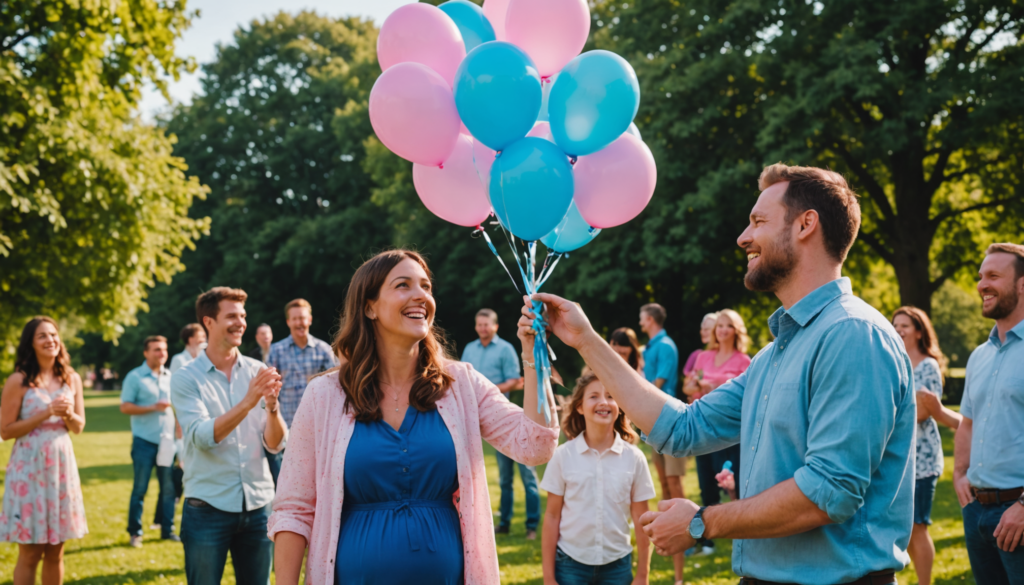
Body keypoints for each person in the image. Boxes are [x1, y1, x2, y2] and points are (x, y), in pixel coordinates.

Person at [521, 163, 915, 584]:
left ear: (806, 224)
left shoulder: (852, 334)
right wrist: (585, 341)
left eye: (758, 222)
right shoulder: (773, 355)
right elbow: (682, 428)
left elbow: (829, 492)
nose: (743, 237)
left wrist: (703, 522)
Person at [268, 250, 559, 585]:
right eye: (403, 285)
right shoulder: (325, 395)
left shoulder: (461, 384)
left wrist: (532, 355)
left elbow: (535, 446)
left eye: (426, 286)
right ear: (369, 306)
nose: (421, 295)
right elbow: (293, 510)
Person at [171, 287, 286, 585]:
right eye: (232, 316)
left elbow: (275, 444)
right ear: (208, 322)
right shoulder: (186, 377)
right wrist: (249, 401)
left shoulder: (258, 370)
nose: (241, 322)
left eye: (244, 316)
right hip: (208, 507)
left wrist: (272, 408)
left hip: (259, 506)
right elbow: (201, 437)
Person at [541, 373, 655, 585]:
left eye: (611, 396)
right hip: (570, 565)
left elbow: (642, 520)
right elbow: (552, 517)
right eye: (594, 396)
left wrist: (643, 575)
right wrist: (548, 577)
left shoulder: (635, 459)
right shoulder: (562, 456)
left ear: (620, 406)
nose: (603, 402)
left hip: (618, 567)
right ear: (580, 407)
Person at [954, 242, 1024, 584]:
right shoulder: (978, 356)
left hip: (1019, 514)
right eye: (981, 276)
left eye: (994, 276)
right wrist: (958, 474)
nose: (982, 284)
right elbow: (968, 422)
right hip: (976, 512)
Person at [0, 317, 88, 584]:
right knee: (29, 552)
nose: (50, 340)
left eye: (53, 334)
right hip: (29, 470)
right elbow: (6, 430)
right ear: (31, 343)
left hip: (61, 468)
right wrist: (46, 412)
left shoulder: (71, 378)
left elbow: (79, 426)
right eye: (42, 336)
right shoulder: (19, 380)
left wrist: (69, 413)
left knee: (55, 552)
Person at [891, 306, 961, 585]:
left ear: (919, 331)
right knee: (905, 528)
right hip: (898, 458)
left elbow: (922, 412)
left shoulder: (928, 365)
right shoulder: (893, 361)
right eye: (894, 324)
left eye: (905, 325)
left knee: (917, 529)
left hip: (922, 461)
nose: (898, 330)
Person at [460, 308, 538, 538]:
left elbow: (516, 381)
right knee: (504, 478)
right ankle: (503, 523)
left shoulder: (505, 349)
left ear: (495, 326)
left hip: (507, 420)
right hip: (482, 422)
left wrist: (485, 393)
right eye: (479, 324)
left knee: (528, 475)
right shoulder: (470, 349)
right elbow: (464, 380)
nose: (482, 328)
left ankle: (531, 525)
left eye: (487, 324)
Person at [683, 309, 751, 554]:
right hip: (703, 429)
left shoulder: (745, 361)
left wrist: (715, 385)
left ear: (736, 330)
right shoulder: (703, 357)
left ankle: (745, 532)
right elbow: (689, 386)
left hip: (731, 434)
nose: (722, 330)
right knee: (705, 484)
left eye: (728, 325)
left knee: (734, 484)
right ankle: (707, 539)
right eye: (719, 325)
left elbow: (747, 396)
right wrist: (694, 385)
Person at [638, 303, 686, 583]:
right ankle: (668, 530)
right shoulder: (649, 347)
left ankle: (687, 531)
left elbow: (657, 384)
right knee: (664, 484)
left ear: (651, 319)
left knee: (675, 483)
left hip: (669, 421)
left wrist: (637, 402)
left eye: (642, 319)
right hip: (654, 424)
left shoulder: (666, 345)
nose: (640, 323)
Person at [265, 299, 337, 484]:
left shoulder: (323, 351)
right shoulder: (276, 351)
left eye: (303, 318)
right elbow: (269, 389)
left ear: (310, 319)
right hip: (286, 428)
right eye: (295, 319)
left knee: (317, 482)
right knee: (287, 482)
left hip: (318, 429)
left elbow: (336, 389)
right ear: (288, 322)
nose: (299, 323)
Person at [120, 335, 178, 547]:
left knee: (169, 489)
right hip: (144, 442)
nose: (161, 353)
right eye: (156, 350)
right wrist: (153, 407)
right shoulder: (135, 377)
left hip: (167, 442)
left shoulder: (170, 376)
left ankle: (167, 529)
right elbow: (125, 407)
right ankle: (135, 532)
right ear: (146, 353)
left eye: (163, 349)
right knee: (140, 489)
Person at [682, 313, 719, 378]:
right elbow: (697, 377)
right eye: (702, 329)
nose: (702, 332)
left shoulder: (721, 355)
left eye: (706, 329)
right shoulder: (697, 354)